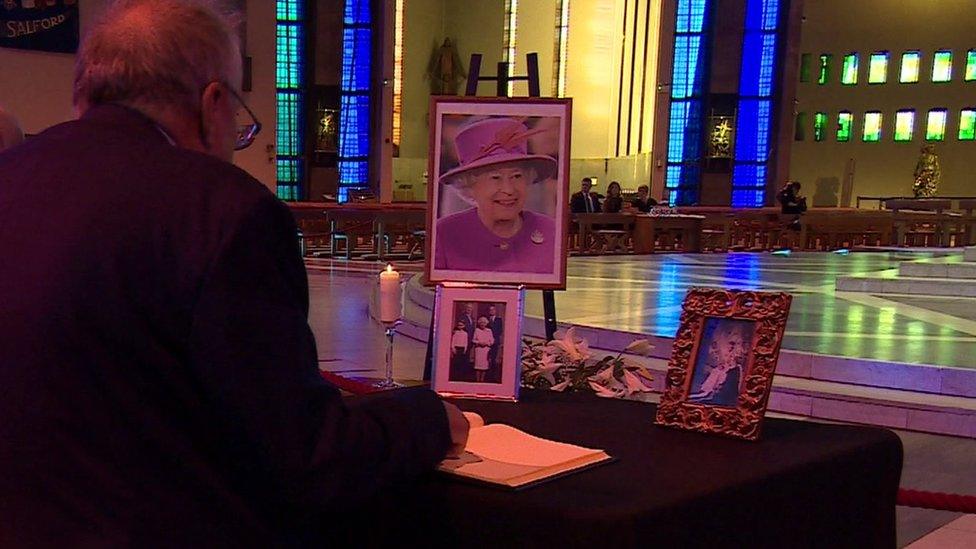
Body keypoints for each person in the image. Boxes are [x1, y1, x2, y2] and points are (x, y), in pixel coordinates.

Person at [0, 1, 468, 546]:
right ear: (214, 101)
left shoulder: (11, 177)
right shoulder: (220, 208)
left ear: (84, 90)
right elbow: (305, 457)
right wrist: (429, 420)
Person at [434, 117, 557, 273]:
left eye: (517, 176)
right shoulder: (445, 233)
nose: (509, 189)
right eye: (495, 178)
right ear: (470, 187)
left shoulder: (550, 231)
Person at [471, 316, 495, 383]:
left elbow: (492, 340)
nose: (482, 324)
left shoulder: (489, 331)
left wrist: (487, 343)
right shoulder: (477, 330)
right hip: (479, 349)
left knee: (484, 367)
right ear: (479, 323)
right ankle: (477, 380)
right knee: (478, 366)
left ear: (486, 323)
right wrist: (479, 342)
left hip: (486, 350)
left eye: (484, 323)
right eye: (481, 323)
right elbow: (473, 340)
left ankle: (482, 380)